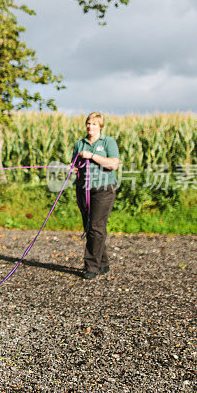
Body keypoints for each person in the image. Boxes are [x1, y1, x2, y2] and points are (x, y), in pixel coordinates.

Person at [71, 112, 119, 279]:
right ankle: (103, 263)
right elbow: (75, 165)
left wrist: (91, 156)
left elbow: (113, 164)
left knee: (96, 228)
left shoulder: (108, 142)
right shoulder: (79, 144)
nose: (90, 127)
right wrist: (73, 168)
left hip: (103, 190)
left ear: (100, 126)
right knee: (89, 227)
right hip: (84, 189)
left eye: (94, 124)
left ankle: (91, 266)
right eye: (88, 123)